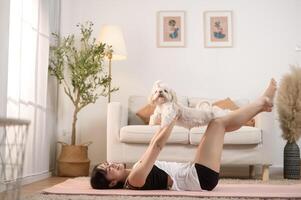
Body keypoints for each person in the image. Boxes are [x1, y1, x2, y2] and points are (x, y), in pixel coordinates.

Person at [90, 79, 277, 191]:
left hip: (195, 172)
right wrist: (171, 118)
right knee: (218, 123)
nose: (112, 164)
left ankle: (263, 103)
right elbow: (156, 146)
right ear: (113, 183)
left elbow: (154, 143)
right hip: (200, 179)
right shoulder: (135, 179)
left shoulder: (134, 172)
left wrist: (169, 119)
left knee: (219, 124)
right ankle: (262, 102)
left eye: (107, 163)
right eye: (109, 170)